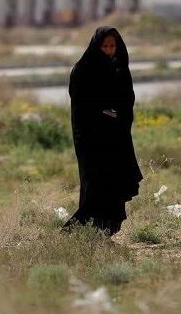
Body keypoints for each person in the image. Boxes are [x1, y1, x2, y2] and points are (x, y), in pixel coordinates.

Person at [62, 26, 143, 236]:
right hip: (91, 139)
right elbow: (80, 104)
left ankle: (104, 232)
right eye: (104, 46)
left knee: (113, 183)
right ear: (97, 46)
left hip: (115, 137)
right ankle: (78, 231)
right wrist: (101, 111)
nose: (108, 50)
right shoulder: (83, 69)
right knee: (95, 185)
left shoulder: (119, 68)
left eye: (112, 46)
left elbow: (127, 99)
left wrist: (118, 113)